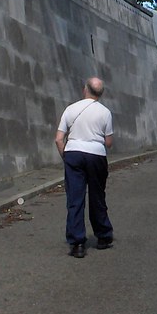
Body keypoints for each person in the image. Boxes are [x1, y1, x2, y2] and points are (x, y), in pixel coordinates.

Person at [55, 77, 114, 258]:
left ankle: (77, 243)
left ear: (85, 89)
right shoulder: (105, 113)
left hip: (74, 153)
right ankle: (103, 236)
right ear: (101, 93)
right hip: (96, 155)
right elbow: (109, 142)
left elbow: (58, 138)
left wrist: (66, 156)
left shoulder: (70, 109)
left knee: (75, 198)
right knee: (97, 196)